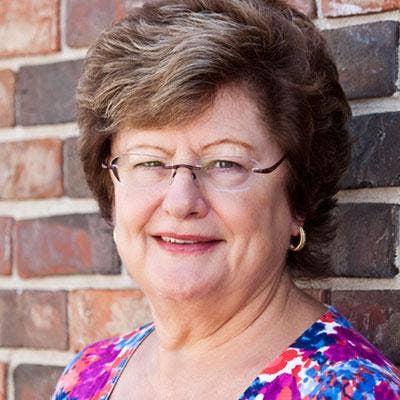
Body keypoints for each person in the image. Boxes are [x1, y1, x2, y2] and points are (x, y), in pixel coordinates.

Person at [52, 0, 400, 398]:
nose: (181, 201)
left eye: (225, 163)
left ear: (299, 198)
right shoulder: (88, 374)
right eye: (149, 162)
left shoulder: (350, 389)